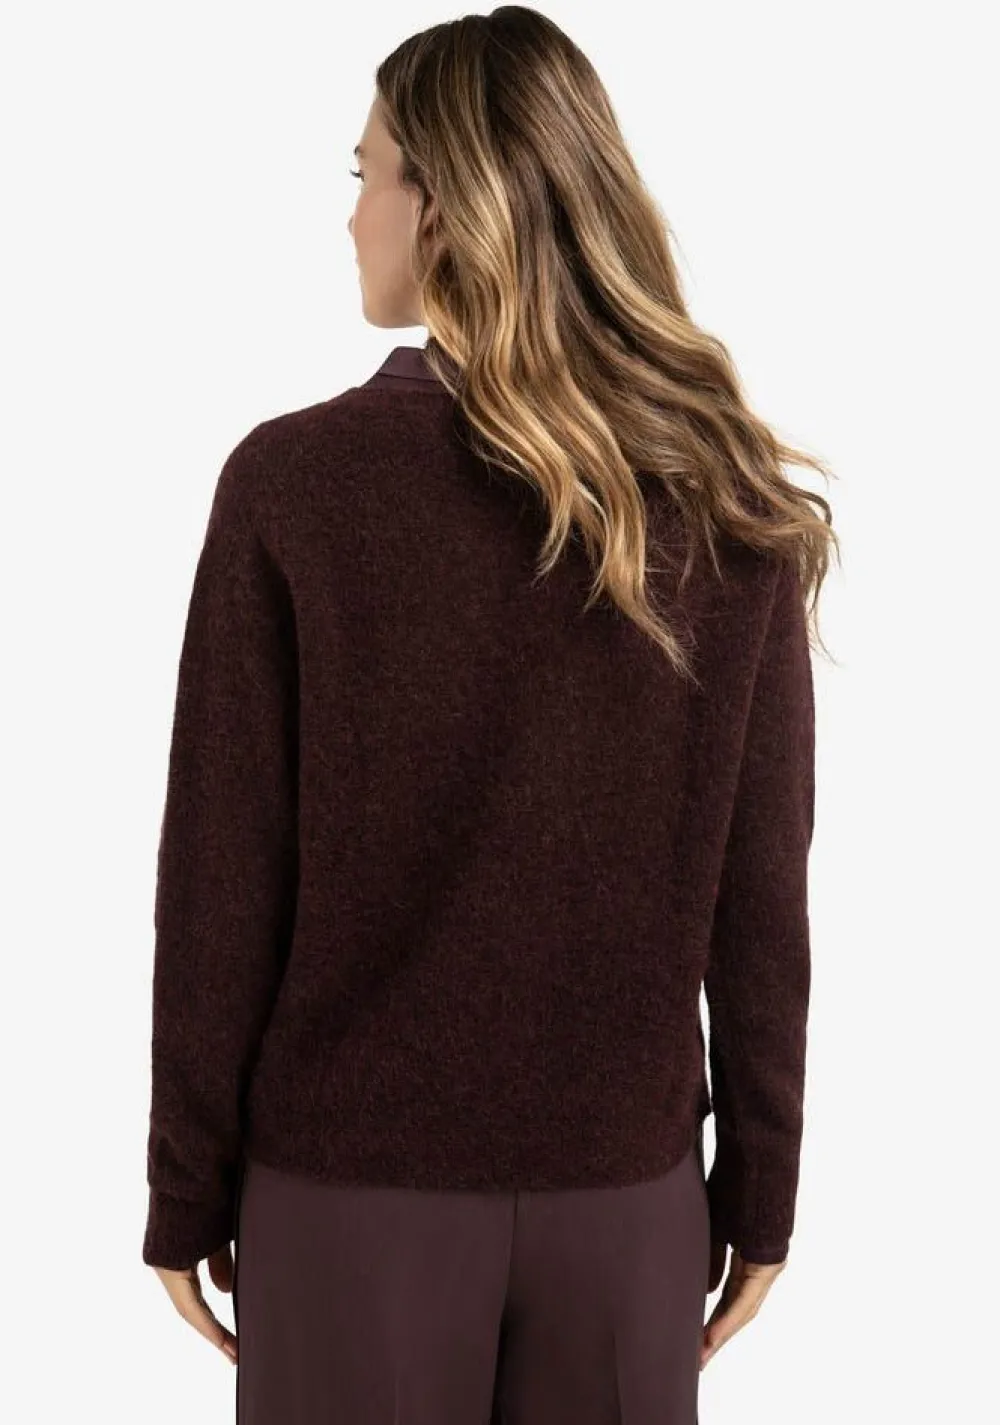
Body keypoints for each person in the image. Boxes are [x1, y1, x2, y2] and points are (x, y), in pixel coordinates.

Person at [141, 7, 838, 1421]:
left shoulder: (294, 487)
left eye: (366, 175)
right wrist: (761, 1186)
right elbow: (762, 894)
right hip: (627, 1208)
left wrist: (184, 1186)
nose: (351, 217)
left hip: (350, 1201)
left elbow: (222, 878)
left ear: (444, 207)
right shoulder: (725, 503)